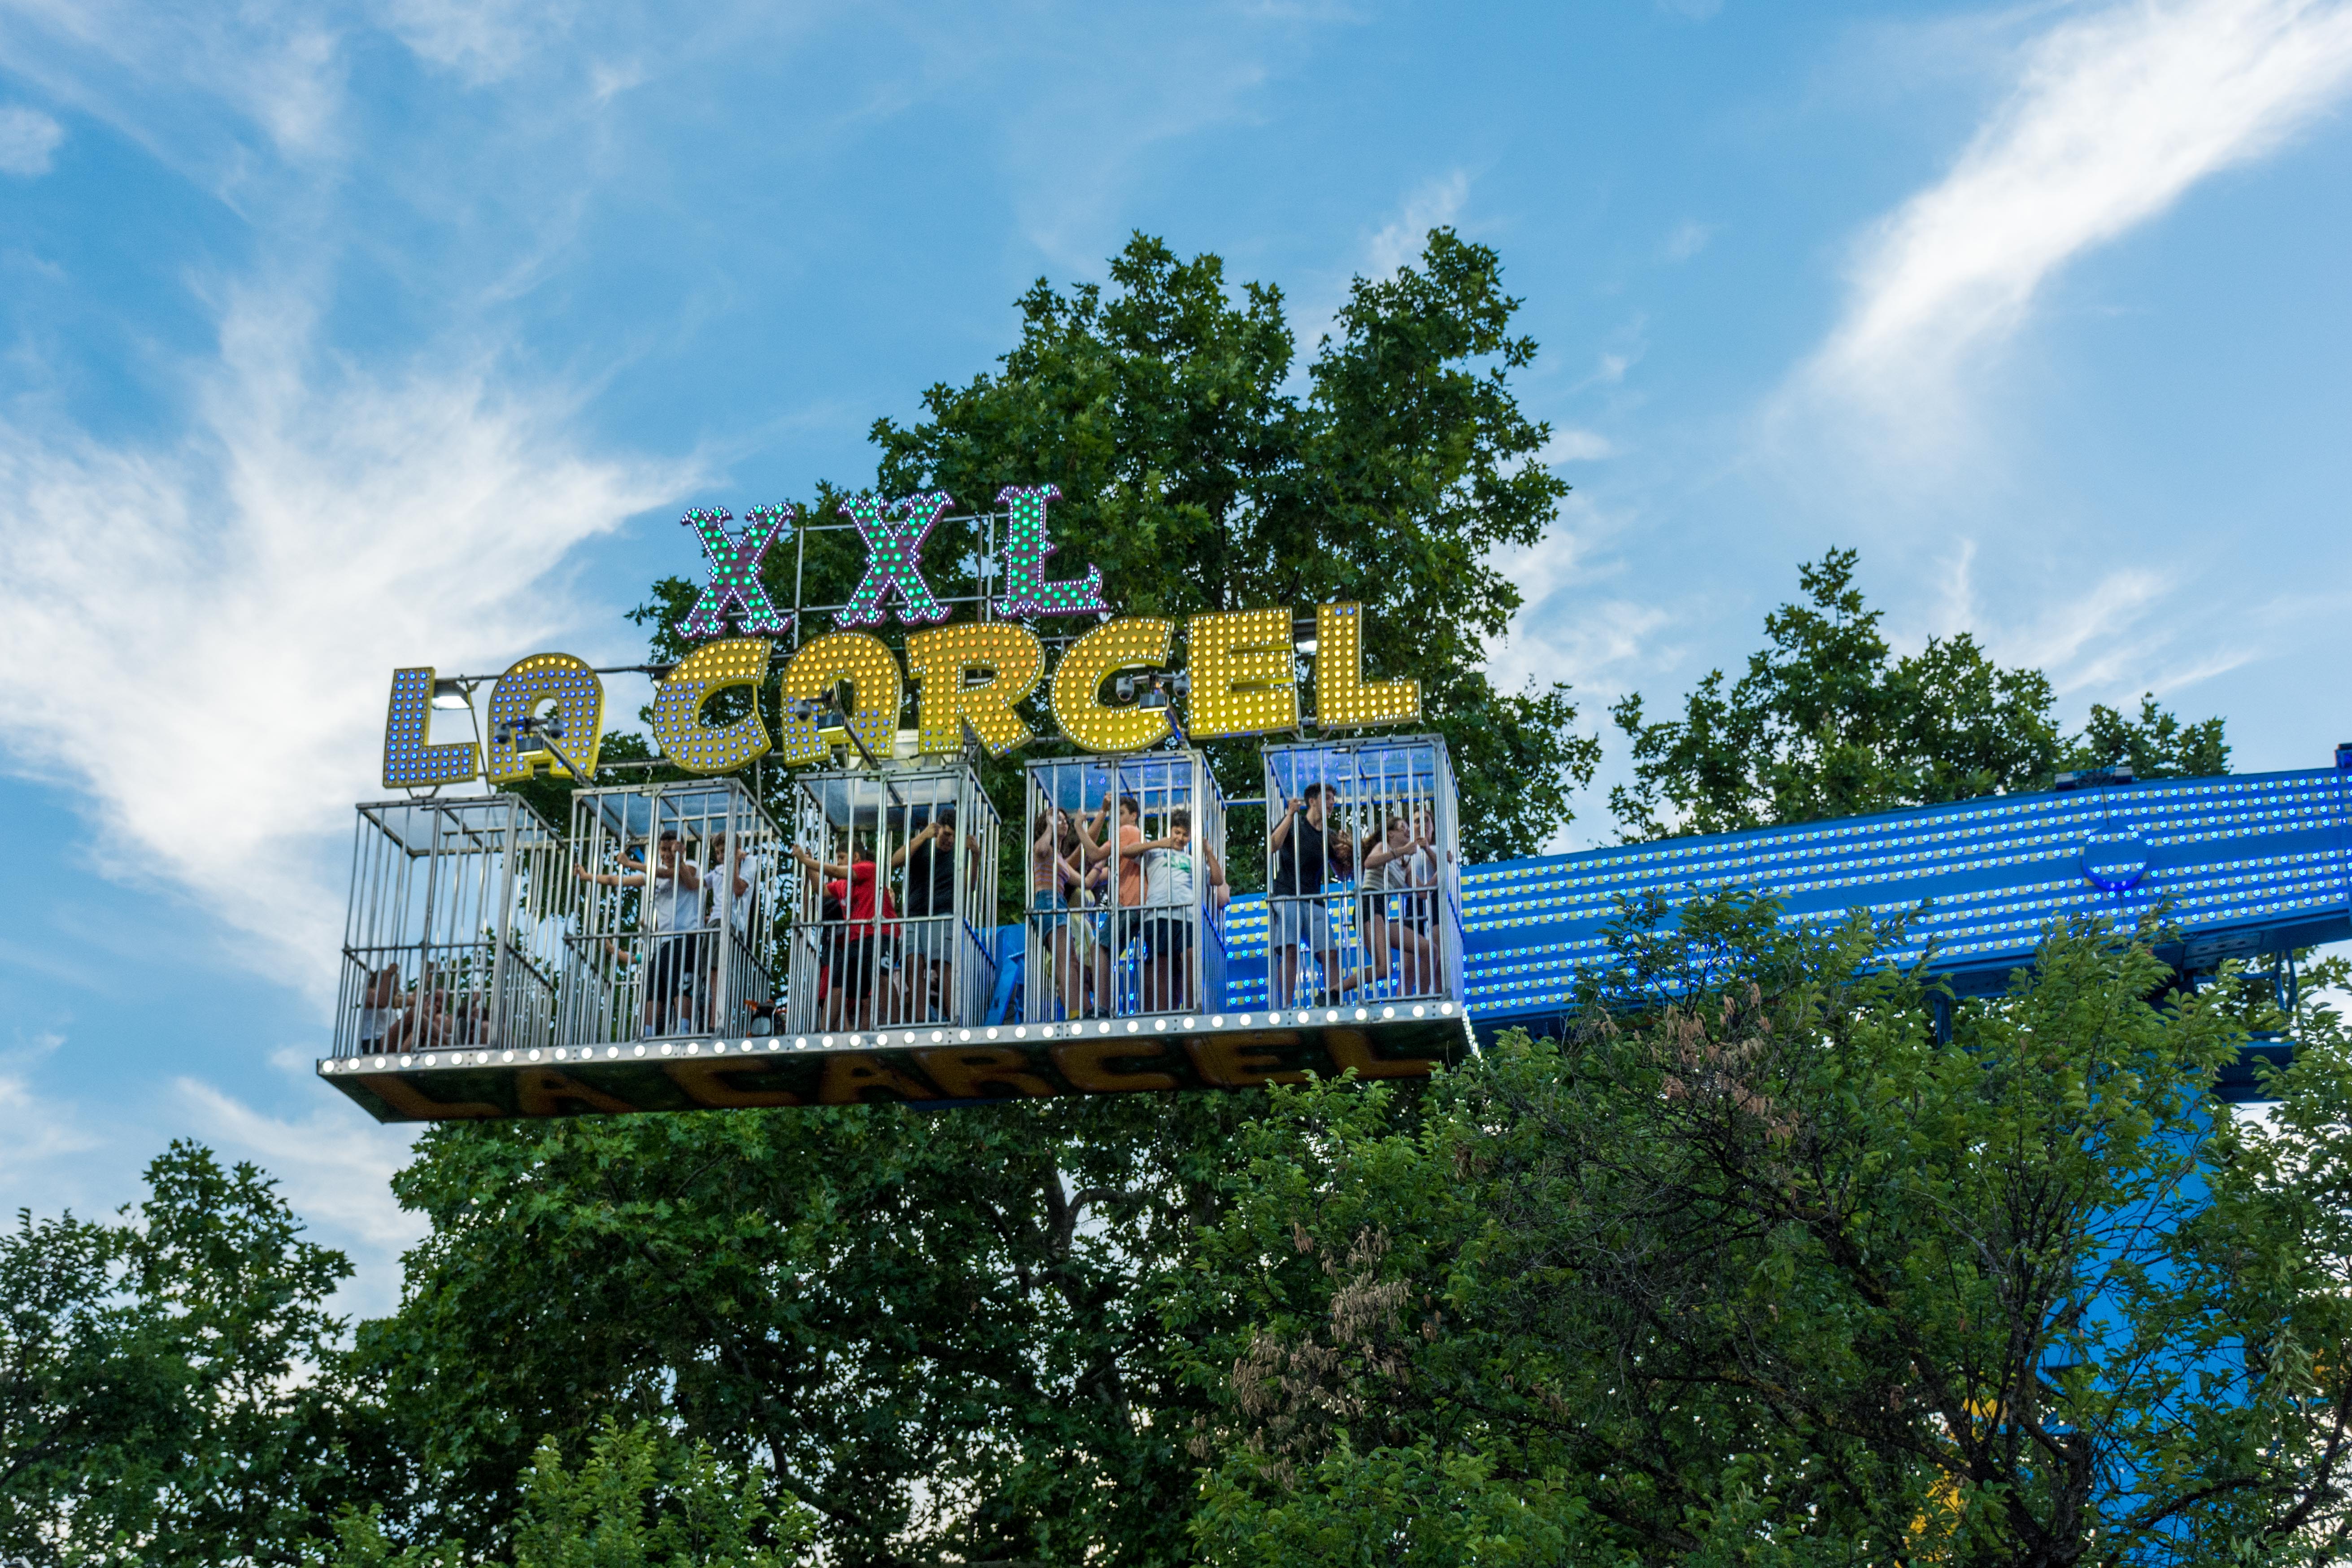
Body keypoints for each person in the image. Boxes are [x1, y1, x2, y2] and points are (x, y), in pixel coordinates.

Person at [577, 832, 704, 1036]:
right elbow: (616, 881)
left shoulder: (691, 866)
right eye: (664, 849)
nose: (667, 854)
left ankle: (684, 1030)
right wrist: (587, 877)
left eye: (672, 849)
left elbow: (665, 875)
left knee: (682, 985)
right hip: (663, 942)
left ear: (681, 850)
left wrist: (630, 864)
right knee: (654, 990)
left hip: (686, 937)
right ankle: (648, 1032)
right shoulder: (654, 873)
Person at [793, 834, 893, 1031]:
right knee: (838, 979)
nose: (838, 862)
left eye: (841, 857)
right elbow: (819, 890)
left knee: (881, 980)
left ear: (855, 857)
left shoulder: (869, 868)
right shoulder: (843, 884)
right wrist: (808, 865)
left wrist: (807, 860)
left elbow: (837, 871)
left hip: (879, 935)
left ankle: (896, 1025)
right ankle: (824, 1030)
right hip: (856, 939)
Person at [1137, 808, 1227, 1013]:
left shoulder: (1192, 860)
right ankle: (1162, 1013)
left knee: (1191, 958)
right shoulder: (1156, 852)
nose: (1180, 837)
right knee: (1162, 965)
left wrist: (1208, 852)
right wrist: (1159, 843)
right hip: (1158, 913)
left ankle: (1192, 1008)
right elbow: (1127, 851)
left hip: (1187, 916)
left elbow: (1217, 879)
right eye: (1177, 832)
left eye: (1185, 834)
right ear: (1171, 831)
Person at [1269, 782, 1348, 1007]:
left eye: (1334, 798)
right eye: (1328, 798)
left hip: (1314, 899)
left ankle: (1334, 1003)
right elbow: (1273, 845)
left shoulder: (1331, 836)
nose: (1332, 802)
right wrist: (1289, 815)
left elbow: (1343, 875)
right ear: (1312, 801)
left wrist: (1346, 853)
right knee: (1291, 950)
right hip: (1288, 894)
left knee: (1330, 954)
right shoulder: (1295, 823)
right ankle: (1284, 1007)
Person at [892, 806, 972, 1022]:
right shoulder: (923, 845)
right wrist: (922, 836)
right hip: (914, 916)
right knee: (912, 965)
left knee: (943, 966)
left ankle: (954, 1018)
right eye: (947, 834)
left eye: (956, 836)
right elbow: (894, 861)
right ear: (938, 829)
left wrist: (977, 856)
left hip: (942, 915)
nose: (951, 841)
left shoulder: (959, 854)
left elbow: (969, 887)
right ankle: (919, 1020)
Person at [1076, 792, 1147, 1015]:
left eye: (1122, 813)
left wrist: (1079, 827)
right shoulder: (1134, 836)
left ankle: (1103, 1008)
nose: (1117, 818)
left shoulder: (1126, 831)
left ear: (1134, 816)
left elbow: (1095, 854)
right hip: (1140, 904)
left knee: (1098, 948)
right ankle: (1107, 1006)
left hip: (1132, 905)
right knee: (1107, 950)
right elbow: (1107, 871)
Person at [1360, 813, 1442, 995]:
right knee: (1386, 968)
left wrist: (1441, 871)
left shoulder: (1406, 863)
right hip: (1370, 906)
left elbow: (1422, 892)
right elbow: (1369, 863)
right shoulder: (1384, 847)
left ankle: (1423, 999)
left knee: (1430, 950)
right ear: (1390, 834)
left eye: (1407, 827)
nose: (1407, 830)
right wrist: (1402, 851)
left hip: (1382, 913)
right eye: (1403, 827)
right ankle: (1336, 991)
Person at [1029, 806, 1088, 1021]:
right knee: (1065, 960)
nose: (1063, 822)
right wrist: (1050, 827)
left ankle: (1076, 1010)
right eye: (1057, 819)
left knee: (1070, 960)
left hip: (1059, 903)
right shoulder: (1044, 849)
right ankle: (1074, 1013)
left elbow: (1087, 882)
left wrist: (1102, 863)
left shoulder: (1061, 860)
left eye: (1064, 820)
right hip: (1047, 901)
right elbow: (1041, 850)